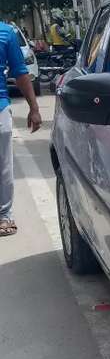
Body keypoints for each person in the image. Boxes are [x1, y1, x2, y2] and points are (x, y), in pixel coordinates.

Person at [0, 20, 42, 237]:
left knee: (3, 166)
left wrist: (34, 107)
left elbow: (20, 72)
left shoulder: (6, 33)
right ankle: (4, 216)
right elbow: (20, 72)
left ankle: (4, 214)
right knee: (3, 166)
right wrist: (33, 108)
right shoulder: (6, 32)